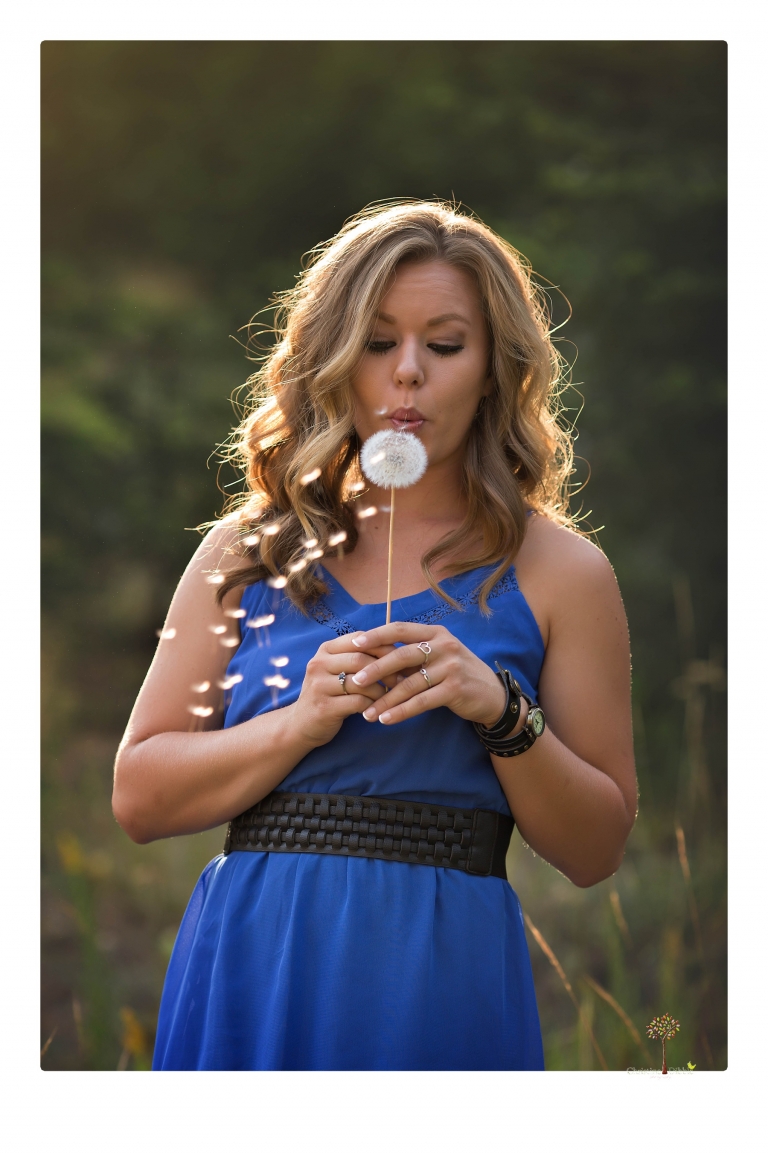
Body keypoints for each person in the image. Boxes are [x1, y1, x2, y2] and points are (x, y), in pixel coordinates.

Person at [112, 200, 637, 1071]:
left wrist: (501, 712)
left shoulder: (563, 573)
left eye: (443, 344)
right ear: (334, 360)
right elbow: (139, 798)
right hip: (256, 960)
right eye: (377, 342)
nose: (407, 376)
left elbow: (596, 850)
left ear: (494, 370)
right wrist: (298, 722)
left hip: (440, 971)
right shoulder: (247, 553)